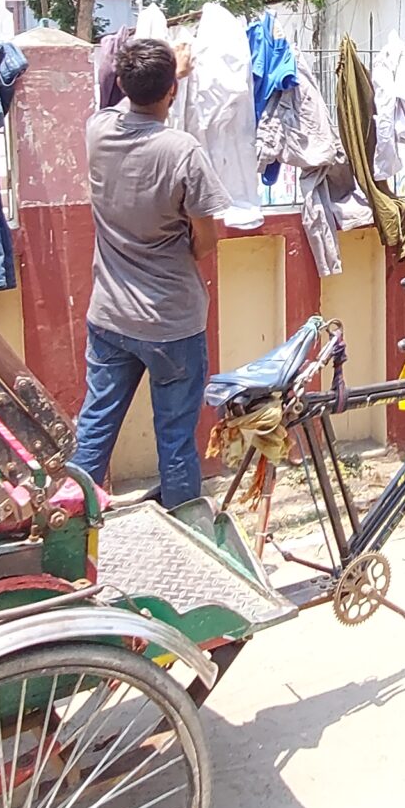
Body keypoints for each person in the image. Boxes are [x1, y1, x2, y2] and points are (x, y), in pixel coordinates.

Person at [70, 37, 229, 508]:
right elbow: (206, 241)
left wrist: (166, 72)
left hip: (110, 317)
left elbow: (128, 101)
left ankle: (74, 533)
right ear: (172, 93)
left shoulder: (97, 131)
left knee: (95, 426)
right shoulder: (182, 151)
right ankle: (185, 537)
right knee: (176, 441)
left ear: (120, 83)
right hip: (172, 321)